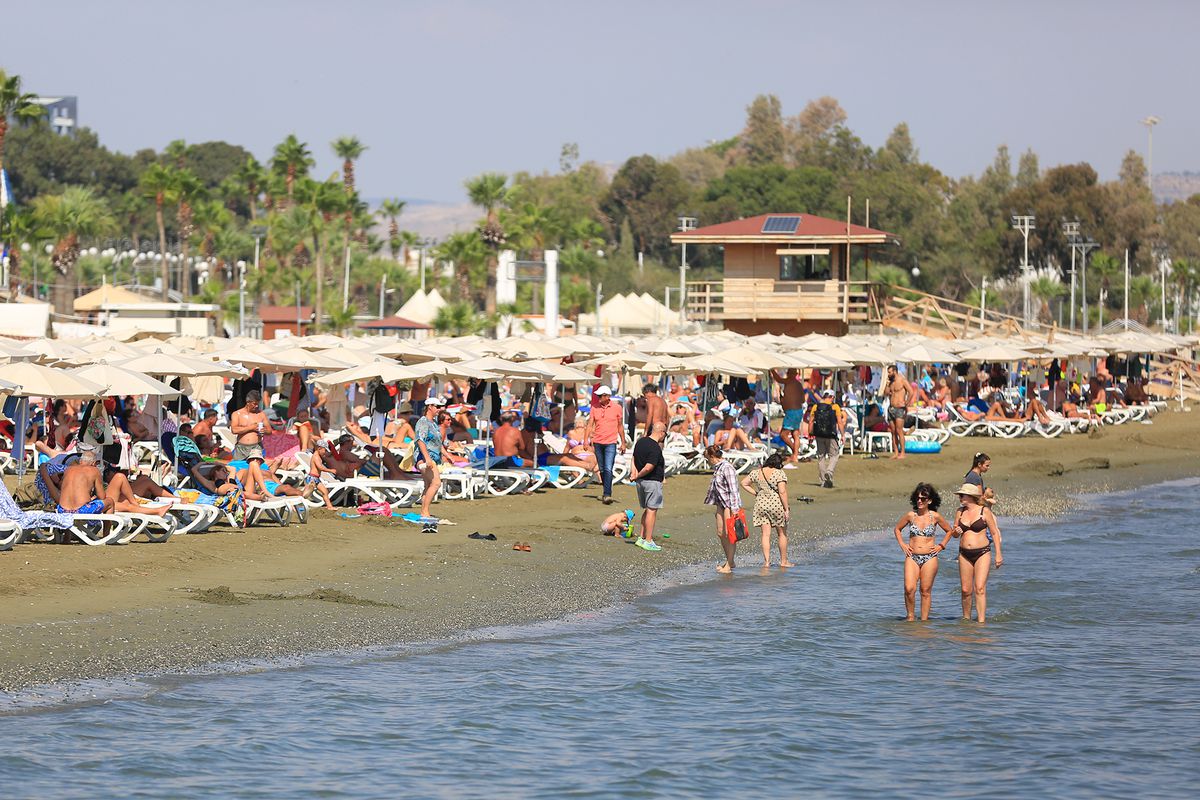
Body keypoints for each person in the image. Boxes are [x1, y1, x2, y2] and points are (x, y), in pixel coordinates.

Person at [893, 483, 954, 621]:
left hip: (930, 557)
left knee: (925, 591)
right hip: (912, 556)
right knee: (909, 589)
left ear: (930, 501)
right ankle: (910, 618)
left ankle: (924, 622)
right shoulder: (911, 515)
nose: (919, 501)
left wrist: (941, 545)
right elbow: (897, 529)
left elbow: (949, 531)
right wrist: (902, 544)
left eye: (923, 498)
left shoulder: (935, 517)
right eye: (918, 498)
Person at [951, 483, 1004, 623]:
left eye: (963, 495)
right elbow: (954, 534)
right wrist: (955, 532)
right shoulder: (959, 512)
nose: (960, 497)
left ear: (972, 496)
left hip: (982, 553)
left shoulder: (984, 511)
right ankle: (966, 620)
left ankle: (981, 622)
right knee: (965, 590)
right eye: (960, 495)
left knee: (979, 588)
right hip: (964, 554)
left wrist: (998, 554)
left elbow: (994, 533)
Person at [741, 452, 792, 569]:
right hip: (776, 505)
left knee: (765, 535)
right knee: (782, 534)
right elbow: (782, 492)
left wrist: (756, 493)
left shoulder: (757, 472)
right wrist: (786, 509)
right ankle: (784, 561)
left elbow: (744, 483)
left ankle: (766, 562)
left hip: (761, 504)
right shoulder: (779, 473)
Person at [703, 445, 743, 574]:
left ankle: (729, 565)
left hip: (729, 505)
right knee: (721, 533)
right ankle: (730, 561)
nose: (707, 461)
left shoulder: (727, 468)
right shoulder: (718, 468)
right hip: (720, 504)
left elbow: (734, 489)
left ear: (713, 457)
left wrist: (735, 509)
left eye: (707, 458)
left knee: (730, 534)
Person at [583, 385, 626, 505]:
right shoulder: (594, 408)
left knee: (608, 467)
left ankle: (607, 494)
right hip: (597, 442)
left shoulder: (617, 408)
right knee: (602, 468)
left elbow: (620, 426)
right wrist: (585, 440)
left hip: (611, 442)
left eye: (600, 396)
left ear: (607, 397)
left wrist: (623, 442)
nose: (598, 398)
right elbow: (590, 424)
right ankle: (605, 491)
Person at [631, 421, 666, 552]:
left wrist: (633, 473)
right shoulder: (655, 447)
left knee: (647, 509)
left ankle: (641, 537)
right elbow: (649, 467)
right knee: (652, 510)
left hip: (641, 482)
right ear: (661, 432)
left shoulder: (641, 441)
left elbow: (633, 459)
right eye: (665, 434)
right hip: (651, 481)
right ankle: (648, 540)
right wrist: (637, 475)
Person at [807, 388, 845, 489]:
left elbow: (811, 421)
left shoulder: (816, 406)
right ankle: (829, 472)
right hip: (831, 435)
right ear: (832, 397)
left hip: (819, 435)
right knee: (834, 455)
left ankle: (823, 481)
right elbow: (839, 422)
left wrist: (810, 434)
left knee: (821, 457)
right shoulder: (835, 407)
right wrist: (843, 435)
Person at [56, 448, 113, 515]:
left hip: (62, 509)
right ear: (94, 463)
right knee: (110, 502)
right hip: (82, 510)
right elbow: (102, 496)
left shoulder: (68, 469)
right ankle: (107, 525)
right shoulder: (94, 470)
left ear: (80, 461)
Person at [414, 397, 444, 519]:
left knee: (429, 484)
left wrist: (446, 455)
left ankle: (424, 511)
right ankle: (424, 511)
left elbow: (437, 443)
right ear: (430, 407)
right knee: (436, 483)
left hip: (431, 457)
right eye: (437, 407)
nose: (439, 409)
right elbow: (420, 440)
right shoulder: (423, 422)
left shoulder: (433, 423)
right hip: (424, 457)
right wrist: (427, 459)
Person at [773, 371, 803, 464]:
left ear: (793, 374)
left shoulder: (789, 382)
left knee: (783, 434)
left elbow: (778, 379)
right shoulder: (798, 384)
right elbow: (802, 399)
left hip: (791, 412)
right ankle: (795, 456)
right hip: (799, 411)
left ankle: (795, 451)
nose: (788, 375)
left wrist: (772, 370)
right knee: (795, 434)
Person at [885, 364, 914, 459]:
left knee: (899, 430)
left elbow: (911, 391)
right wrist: (887, 384)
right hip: (891, 408)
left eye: (889, 372)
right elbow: (886, 393)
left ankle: (903, 453)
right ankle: (896, 452)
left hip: (900, 409)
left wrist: (906, 403)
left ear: (895, 371)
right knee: (893, 431)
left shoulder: (902, 380)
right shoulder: (891, 382)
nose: (888, 374)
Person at [305, 442, 337, 510]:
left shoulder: (318, 456)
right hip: (312, 478)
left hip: (316, 479)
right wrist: (330, 470)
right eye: (324, 450)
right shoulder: (316, 457)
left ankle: (329, 506)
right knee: (305, 494)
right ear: (319, 448)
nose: (325, 452)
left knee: (325, 492)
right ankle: (294, 503)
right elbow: (320, 467)